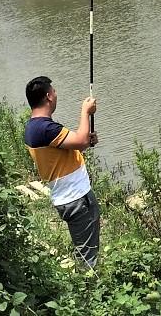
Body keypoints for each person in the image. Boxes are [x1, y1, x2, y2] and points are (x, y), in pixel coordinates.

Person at [24, 76, 100, 268]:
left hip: (66, 198)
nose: (56, 95)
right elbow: (81, 141)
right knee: (88, 259)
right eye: (55, 92)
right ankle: (92, 292)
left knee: (84, 250)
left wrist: (84, 141)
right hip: (77, 200)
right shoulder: (45, 128)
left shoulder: (34, 127)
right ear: (49, 96)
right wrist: (85, 111)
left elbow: (77, 144)